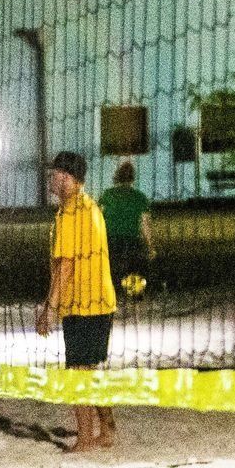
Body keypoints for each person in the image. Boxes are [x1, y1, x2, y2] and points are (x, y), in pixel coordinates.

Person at [35, 151, 116, 452]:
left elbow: (65, 266)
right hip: (101, 301)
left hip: (83, 303)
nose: (51, 179)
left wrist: (50, 309)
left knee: (78, 372)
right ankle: (107, 431)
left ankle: (84, 438)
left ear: (68, 179)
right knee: (89, 371)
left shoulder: (71, 212)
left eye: (55, 174)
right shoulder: (90, 206)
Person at [97, 160, 155, 289]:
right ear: (133, 178)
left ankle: (112, 298)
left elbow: (97, 220)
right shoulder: (140, 197)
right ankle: (135, 298)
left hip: (110, 241)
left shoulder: (107, 195)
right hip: (132, 241)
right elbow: (145, 225)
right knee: (134, 274)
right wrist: (150, 246)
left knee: (111, 274)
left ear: (117, 176)